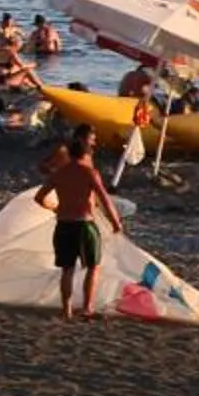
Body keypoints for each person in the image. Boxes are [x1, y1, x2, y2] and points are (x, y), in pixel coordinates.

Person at [37, 126, 125, 320]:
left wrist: (54, 208)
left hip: (63, 225)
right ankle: (87, 308)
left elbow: (39, 197)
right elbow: (104, 199)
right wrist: (115, 222)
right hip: (85, 225)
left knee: (67, 269)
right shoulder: (90, 172)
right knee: (93, 267)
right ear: (85, 153)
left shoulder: (59, 174)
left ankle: (66, 310)